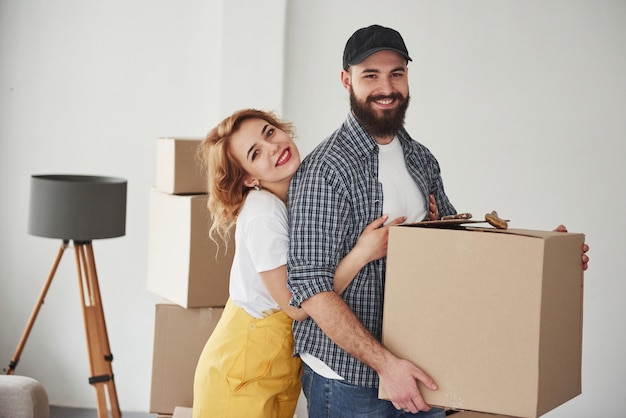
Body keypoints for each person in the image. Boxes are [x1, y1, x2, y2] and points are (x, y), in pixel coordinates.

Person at [286, 24, 590, 418]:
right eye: (370, 75)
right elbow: (311, 289)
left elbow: (457, 253)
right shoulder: (326, 170)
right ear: (347, 81)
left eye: (397, 73)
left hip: (420, 370)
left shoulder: (420, 159)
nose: (387, 87)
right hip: (350, 381)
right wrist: (385, 366)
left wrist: (545, 259)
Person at [192, 108, 405, 418]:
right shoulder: (264, 213)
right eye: (256, 152)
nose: (274, 146)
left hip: (268, 360)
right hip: (243, 368)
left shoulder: (297, 194)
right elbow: (297, 304)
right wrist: (363, 253)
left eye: (270, 133)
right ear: (249, 177)